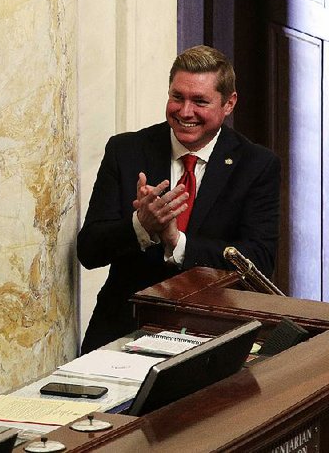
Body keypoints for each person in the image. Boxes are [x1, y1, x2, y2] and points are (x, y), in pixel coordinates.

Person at [79, 45, 280, 354]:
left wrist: (177, 241)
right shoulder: (127, 150)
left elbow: (260, 260)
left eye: (200, 101)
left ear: (229, 103)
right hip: (124, 328)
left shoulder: (256, 165)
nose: (185, 112)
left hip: (211, 335)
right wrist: (139, 226)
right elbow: (89, 250)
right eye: (177, 97)